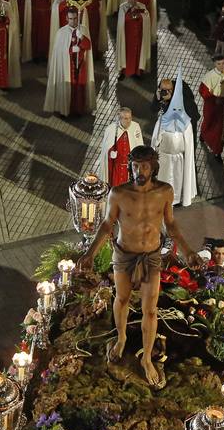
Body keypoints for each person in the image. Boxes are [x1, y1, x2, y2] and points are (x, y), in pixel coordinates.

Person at [78, 146, 199, 388]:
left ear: (153, 167)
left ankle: (146, 358)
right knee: (121, 299)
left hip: (151, 256)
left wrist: (188, 250)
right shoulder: (119, 193)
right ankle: (121, 338)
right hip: (124, 255)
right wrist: (90, 253)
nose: (139, 170)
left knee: (150, 309)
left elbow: (171, 224)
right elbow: (107, 224)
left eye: (144, 166)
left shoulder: (164, 192)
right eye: (135, 165)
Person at [150, 68, 197, 207]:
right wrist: (158, 99)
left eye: (168, 90)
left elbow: (184, 118)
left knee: (179, 176)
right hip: (164, 155)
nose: (165, 92)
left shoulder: (181, 100)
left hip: (179, 154)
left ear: (173, 88)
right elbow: (153, 109)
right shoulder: (160, 93)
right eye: (163, 89)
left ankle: (179, 197)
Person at [45, 8, 95, 116]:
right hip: (66, 66)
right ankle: (66, 109)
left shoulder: (83, 29)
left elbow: (88, 46)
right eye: (71, 19)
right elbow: (58, 52)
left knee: (79, 88)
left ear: (78, 18)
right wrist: (71, 50)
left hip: (80, 65)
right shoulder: (61, 32)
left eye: (75, 18)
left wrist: (81, 37)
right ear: (67, 18)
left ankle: (78, 110)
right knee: (68, 88)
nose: (73, 21)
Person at [198, 52, 224, 159]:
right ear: (215, 64)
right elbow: (202, 91)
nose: (222, 66)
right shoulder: (209, 76)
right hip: (211, 105)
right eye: (219, 64)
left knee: (220, 129)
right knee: (208, 122)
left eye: (223, 63)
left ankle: (217, 151)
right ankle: (203, 135)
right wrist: (213, 98)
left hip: (222, 106)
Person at [100, 106, 144, 188]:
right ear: (120, 119)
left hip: (130, 168)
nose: (129, 121)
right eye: (125, 119)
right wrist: (110, 153)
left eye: (130, 118)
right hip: (116, 168)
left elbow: (139, 146)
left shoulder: (135, 127)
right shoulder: (111, 129)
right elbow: (105, 150)